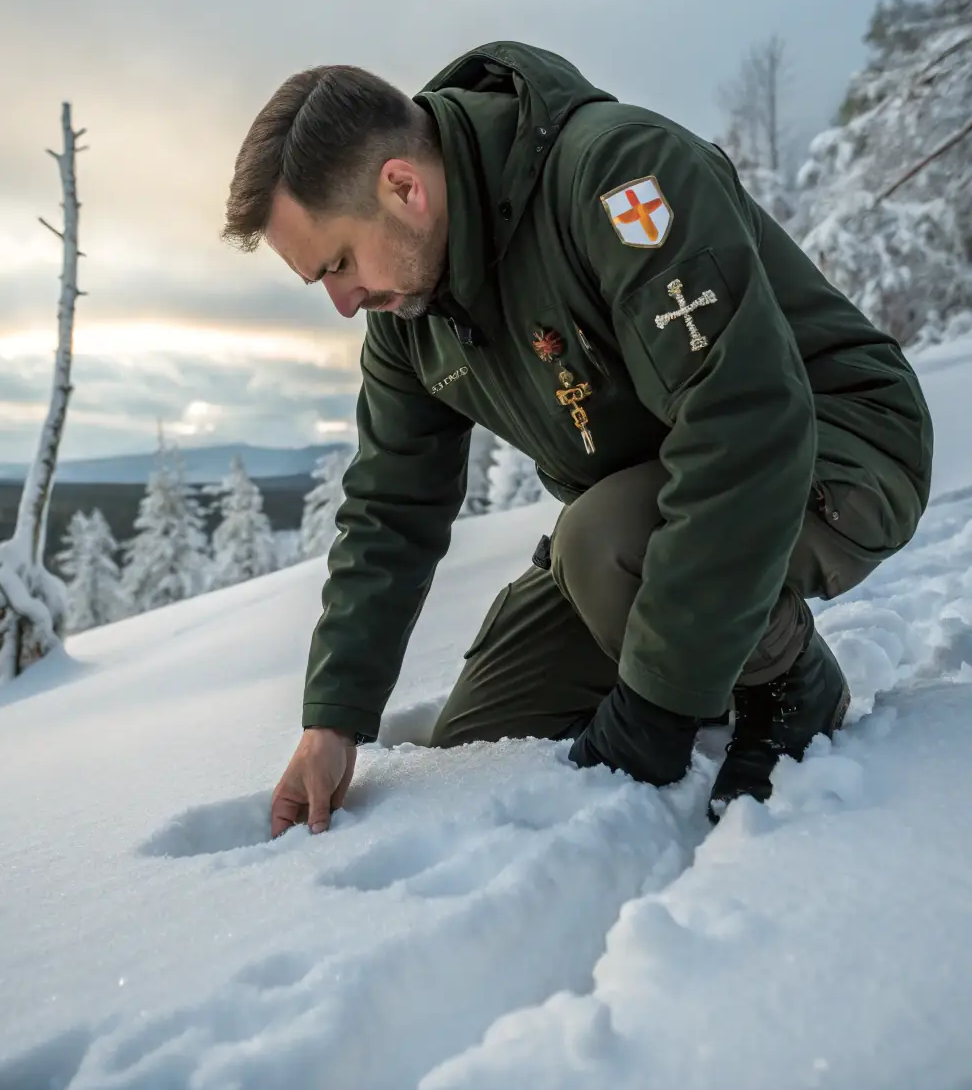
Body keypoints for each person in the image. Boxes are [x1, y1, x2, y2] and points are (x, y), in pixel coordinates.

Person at [222, 41, 932, 837]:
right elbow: (390, 506)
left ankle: (789, 679)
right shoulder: (408, 316)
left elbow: (747, 423)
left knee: (600, 544)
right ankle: (713, 642)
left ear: (403, 186)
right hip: (650, 513)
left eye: (339, 263)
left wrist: (657, 705)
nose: (345, 303)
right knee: (487, 734)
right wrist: (335, 716)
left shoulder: (618, 176)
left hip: (837, 445)